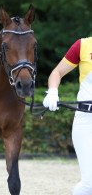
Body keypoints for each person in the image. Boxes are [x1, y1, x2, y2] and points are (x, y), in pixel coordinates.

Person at [43, 37, 92, 195]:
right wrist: (52, 91)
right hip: (86, 122)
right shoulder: (83, 45)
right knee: (90, 183)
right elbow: (57, 72)